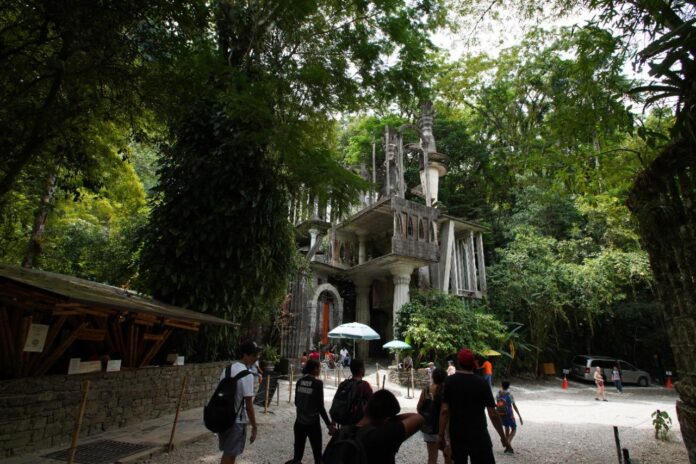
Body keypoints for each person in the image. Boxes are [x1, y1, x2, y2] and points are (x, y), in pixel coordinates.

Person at [438, 348, 512, 463]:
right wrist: (503, 437)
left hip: (457, 434)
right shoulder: (482, 383)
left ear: (459, 362)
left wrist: (441, 435)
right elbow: (492, 413)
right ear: (473, 363)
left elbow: (444, 411)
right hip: (479, 434)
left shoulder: (449, 382)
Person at [323, 389, 423, 464]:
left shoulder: (341, 433)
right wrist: (392, 420)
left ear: (366, 407)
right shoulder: (382, 436)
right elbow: (418, 418)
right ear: (386, 419)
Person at [217, 341, 261, 464]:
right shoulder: (247, 375)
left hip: (222, 417)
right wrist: (254, 426)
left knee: (229, 453)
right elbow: (249, 405)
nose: (256, 358)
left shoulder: (226, 370)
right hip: (236, 420)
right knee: (230, 454)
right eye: (253, 354)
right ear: (245, 355)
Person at [285, 359, 336, 464]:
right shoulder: (318, 383)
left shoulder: (299, 382)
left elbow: (296, 402)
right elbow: (320, 407)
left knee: (297, 456)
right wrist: (329, 425)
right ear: (315, 369)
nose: (320, 370)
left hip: (299, 422)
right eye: (319, 368)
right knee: (317, 455)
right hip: (313, 423)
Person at [418, 367, 449, 464]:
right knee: (448, 455)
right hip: (444, 428)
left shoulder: (426, 390)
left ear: (433, 377)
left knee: (432, 457)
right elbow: (446, 411)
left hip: (429, 427)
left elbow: (419, 407)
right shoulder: (446, 391)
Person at [330, 359, 374, 426]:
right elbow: (372, 405)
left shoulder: (343, 384)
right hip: (358, 425)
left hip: (344, 424)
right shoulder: (365, 385)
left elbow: (335, 401)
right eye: (364, 367)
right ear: (361, 369)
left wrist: (333, 423)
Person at [495, 381, 523, 447]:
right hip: (509, 414)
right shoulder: (509, 394)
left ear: (501, 385)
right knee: (514, 429)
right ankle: (507, 441)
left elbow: (498, 404)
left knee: (506, 427)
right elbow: (514, 406)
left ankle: (507, 445)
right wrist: (519, 416)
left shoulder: (498, 394)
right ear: (508, 386)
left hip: (501, 413)